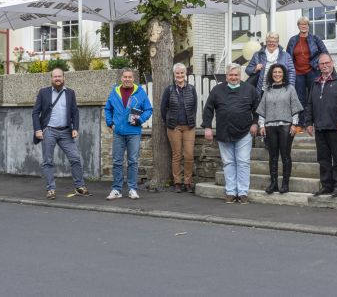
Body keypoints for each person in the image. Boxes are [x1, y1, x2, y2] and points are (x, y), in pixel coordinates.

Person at [202, 63, 260, 204]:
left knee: (243, 162)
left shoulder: (249, 89)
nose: (234, 77)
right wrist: (208, 127)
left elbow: (257, 109)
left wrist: (255, 123)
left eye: (236, 75)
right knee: (228, 163)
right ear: (226, 76)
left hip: (244, 131)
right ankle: (230, 192)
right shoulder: (217, 90)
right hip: (224, 131)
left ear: (240, 76)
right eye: (231, 75)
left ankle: (243, 193)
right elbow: (208, 109)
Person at [32, 68, 88, 200]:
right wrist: (38, 129)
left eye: (60, 76)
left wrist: (76, 128)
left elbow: (75, 112)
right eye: (55, 77)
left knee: (75, 158)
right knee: (48, 161)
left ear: (64, 78)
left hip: (66, 131)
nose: (57, 79)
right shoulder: (43, 92)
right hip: (49, 131)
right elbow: (35, 112)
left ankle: (79, 186)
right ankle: (51, 189)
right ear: (51, 79)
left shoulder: (70, 93)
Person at [306, 53, 337, 197]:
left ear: (332, 63)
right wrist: (308, 122)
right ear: (318, 66)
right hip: (320, 127)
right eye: (322, 64)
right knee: (323, 159)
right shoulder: (315, 82)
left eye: (327, 62)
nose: (325, 65)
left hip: (336, 127)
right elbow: (310, 104)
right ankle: (326, 186)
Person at [104, 68, 153, 200]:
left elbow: (148, 109)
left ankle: (132, 189)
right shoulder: (115, 92)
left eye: (129, 77)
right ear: (121, 78)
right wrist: (110, 123)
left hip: (134, 132)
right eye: (125, 77)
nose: (127, 79)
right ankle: (116, 189)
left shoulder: (140, 92)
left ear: (133, 79)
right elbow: (107, 108)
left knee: (133, 161)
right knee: (117, 161)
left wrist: (141, 119)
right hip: (118, 132)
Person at [256, 63, 303, 194]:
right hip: (270, 127)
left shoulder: (290, 89)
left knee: (285, 155)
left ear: (283, 74)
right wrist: (261, 125)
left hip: (286, 127)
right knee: (273, 156)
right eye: (275, 72)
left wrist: (294, 124)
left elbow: (295, 109)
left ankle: (285, 184)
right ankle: (274, 183)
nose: (277, 74)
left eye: (279, 72)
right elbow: (262, 110)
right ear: (271, 74)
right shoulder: (267, 90)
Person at [161, 63, 198, 193]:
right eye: (177, 73)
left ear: (185, 74)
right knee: (177, 155)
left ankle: (187, 182)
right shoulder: (169, 90)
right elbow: (163, 108)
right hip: (174, 127)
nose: (180, 75)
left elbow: (194, 107)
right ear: (174, 75)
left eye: (182, 73)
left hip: (189, 127)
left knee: (189, 155)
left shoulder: (192, 89)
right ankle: (177, 182)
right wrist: (169, 122)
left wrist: (191, 120)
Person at [286, 17, 328, 130]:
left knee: (315, 96)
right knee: (300, 98)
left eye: (305, 24)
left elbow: (324, 53)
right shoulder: (293, 40)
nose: (303, 26)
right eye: (301, 24)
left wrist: (318, 64)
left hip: (312, 71)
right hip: (297, 72)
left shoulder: (315, 38)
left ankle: (316, 121)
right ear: (298, 26)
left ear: (308, 26)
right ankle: (301, 123)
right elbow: (288, 57)